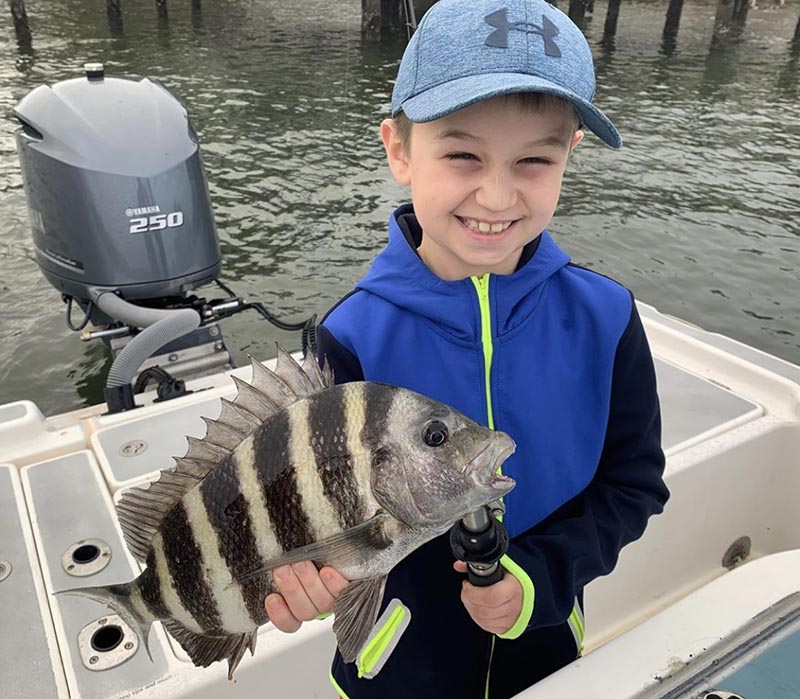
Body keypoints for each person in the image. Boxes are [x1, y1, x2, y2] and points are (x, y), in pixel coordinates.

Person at [264, 0, 670, 696]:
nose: (497, 192)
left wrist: (535, 579)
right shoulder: (347, 336)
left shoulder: (606, 319)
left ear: (569, 155)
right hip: (392, 674)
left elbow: (633, 484)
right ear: (399, 150)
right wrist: (295, 578)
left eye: (534, 160)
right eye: (462, 153)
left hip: (545, 654)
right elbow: (303, 518)